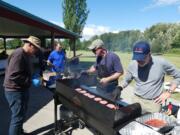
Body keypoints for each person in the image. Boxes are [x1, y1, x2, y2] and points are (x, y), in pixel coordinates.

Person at [118, 41, 180, 113]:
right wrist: (119, 88)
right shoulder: (132, 64)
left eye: (142, 58)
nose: (139, 61)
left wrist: (168, 92)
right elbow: (126, 80)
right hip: (136, 100)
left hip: (153, 103)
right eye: (137, 58)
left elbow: (178, 76)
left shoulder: (161, 63)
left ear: (149, 54)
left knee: (152, 123)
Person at [3, 36, 41, 135]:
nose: (36, 51)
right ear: (30, 45)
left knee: (21, 114)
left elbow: (23, 70)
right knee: (17, 117)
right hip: (14, 91)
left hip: (22, 89)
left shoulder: (26, 54)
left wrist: (33, 75)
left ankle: (19, 132)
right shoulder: (19, 54)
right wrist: (31, 80)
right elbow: (13, 75)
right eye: (36, 48)